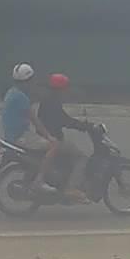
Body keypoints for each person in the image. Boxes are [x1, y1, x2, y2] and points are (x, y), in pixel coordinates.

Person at [1, 63, 58, 192]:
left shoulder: (11, 93)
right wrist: (49, 136)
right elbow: (35, 120)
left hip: (12, 135)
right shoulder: (21, 98)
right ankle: (39, 181)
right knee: (53, 145)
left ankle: (35, 174)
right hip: (20, 137)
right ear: (28, 81)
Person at [38, 74, 91, 204]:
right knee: (82, 158)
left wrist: (81, 125)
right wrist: (84, 126)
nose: (67, 91)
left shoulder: (48, 100)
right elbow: (64, 120)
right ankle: (71, 188)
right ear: (60, 89)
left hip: (45, 137)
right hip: (53, 140)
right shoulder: (53, 102)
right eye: (65, 88)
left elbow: (63, 119)